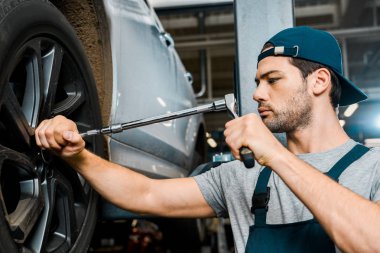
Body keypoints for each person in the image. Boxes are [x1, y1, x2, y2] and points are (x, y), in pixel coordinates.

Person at [35, 26, 380, 253]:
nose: (257, 93)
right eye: (257, 81)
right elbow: (145, 193)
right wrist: (78, 155)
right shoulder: (240, 176)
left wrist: (277, 156)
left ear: (319, 81)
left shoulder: (373, 167)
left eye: (272, 79)